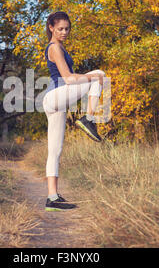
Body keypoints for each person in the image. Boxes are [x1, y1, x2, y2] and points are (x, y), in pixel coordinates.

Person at [42, 11, 107, 212]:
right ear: (51, 28)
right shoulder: (54, 48)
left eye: (67, 29)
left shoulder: (60, 47)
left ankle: (52, 198)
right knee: (99, 74)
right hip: (54, 97)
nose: (64, 32)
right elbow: (68, 79)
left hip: (56, 102)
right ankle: (88, 119)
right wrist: (92, 79)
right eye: (60, 28)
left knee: (55, 151)